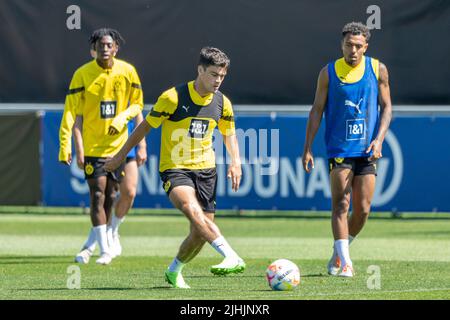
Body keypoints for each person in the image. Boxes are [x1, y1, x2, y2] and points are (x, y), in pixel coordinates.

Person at [104, 47, 245, 288]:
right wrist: (120, 157)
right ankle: (230, 255)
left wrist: (235, 162)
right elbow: (144, 127)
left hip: (207, 171)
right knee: (191, 208)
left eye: (222, 76)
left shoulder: (223, 103)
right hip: (175, 168)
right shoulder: (173, 97)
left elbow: (229, 134)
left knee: (200, 233)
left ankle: (174, 270)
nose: (218, 80)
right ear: (200, 70)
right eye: (213, 74)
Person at [302, 22, 392, 277]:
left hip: (367, 150)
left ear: (366, 47)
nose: (352, 50)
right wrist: (307, 147)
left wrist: (379, 139)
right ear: (341, 44)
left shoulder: (378, 69)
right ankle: (347, 262)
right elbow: (317, 110)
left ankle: (339, 251)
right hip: (339, 148)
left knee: (363, 210)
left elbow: (387, 107)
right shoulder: (328, 73)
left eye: (357, 46)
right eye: (348, 45)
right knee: (341, 205)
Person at [59, 28, 144, 265]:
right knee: (97, 195)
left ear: (116, 48)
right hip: (94, 148)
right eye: (100, 45)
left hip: (120, 147)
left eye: (109, 45)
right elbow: (73, 115)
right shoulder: (82, 74)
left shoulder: (128, 71)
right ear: (92, 49)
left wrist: (133, 134)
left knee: (115, 195)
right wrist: (71, 146)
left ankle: (94, 242)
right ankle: (105, 250)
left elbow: (138, 106)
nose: (105, 49)